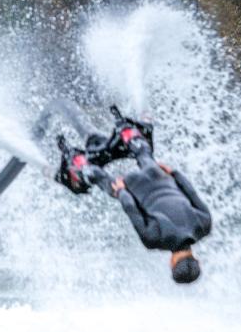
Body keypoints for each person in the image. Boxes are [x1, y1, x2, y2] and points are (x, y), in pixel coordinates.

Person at [55, 108, 212, 284]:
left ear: (197, 259)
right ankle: (81, 165)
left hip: (159, 175)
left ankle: (130, 135)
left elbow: (190, 191)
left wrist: (174, 173)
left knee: (145, 155)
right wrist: (120, 190)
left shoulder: (204, 224)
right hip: (135, 185)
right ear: (172, 263)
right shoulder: (154, 240)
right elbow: (131, 209)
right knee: (108, 185)